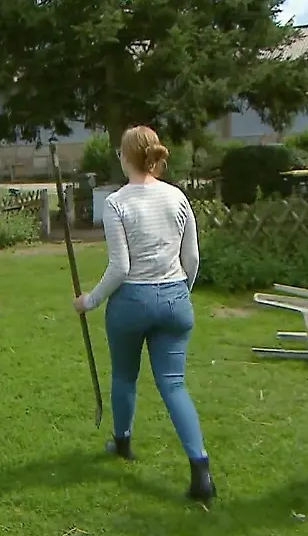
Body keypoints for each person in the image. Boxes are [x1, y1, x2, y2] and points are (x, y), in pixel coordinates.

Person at [72, 125, 216, 504]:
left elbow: (120, 268)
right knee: (174, 385)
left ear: (125, 157)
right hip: (174, 299)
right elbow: (192, 258)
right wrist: (181, 292)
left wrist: (90, 301)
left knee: (125, 376)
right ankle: (200, 470)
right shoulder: (177, 197)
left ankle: (122, 442)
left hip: (131, 303)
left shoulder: (117, 203)